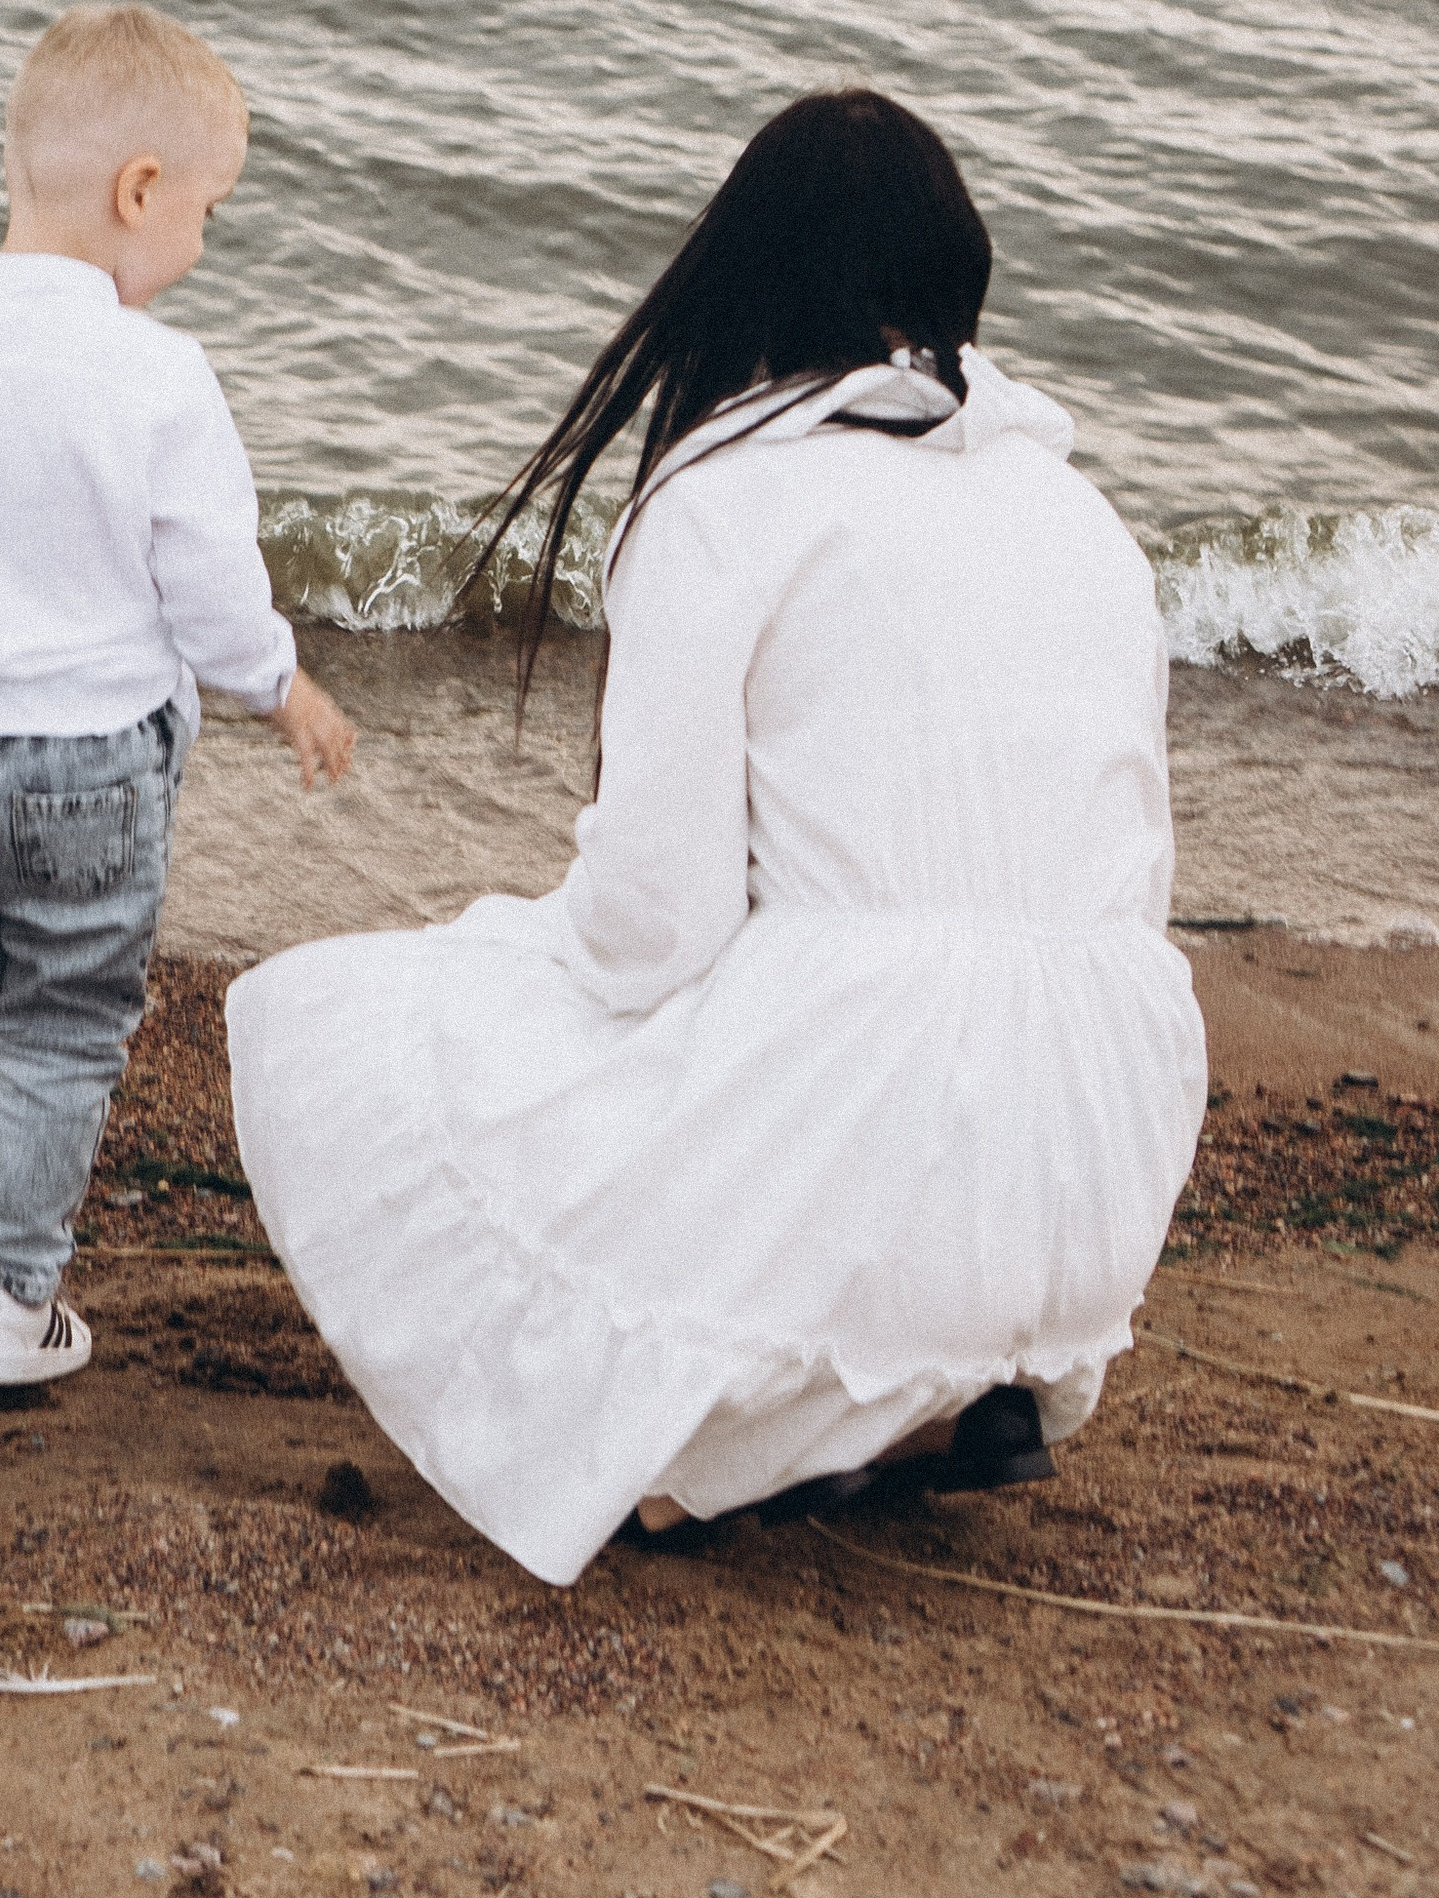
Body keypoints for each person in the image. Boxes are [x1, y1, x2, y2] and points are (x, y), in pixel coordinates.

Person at [225, 89, 1207, 1581]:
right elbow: (1130, 868)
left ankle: (726, 1449)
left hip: (883, 1115)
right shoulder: (1087, 518)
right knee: (812, 1017)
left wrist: (544, 959)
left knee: (369, 1019)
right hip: (1095, 1149)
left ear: (742, 275)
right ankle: (936, 1394)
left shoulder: (727, 497)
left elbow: (656, 924)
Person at [0, 3, 357, 1389]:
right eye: (210, 211)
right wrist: (279, 683)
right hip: (92, 770)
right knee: (62, 1022)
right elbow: (209, 585)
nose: (202, 243)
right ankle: (12, 1300)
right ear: (140, 193)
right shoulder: (156, 372)